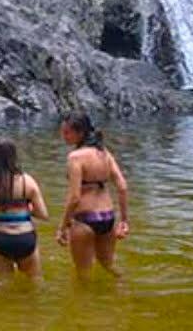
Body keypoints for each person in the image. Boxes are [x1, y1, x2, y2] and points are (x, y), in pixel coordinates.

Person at [56, 112, 129, 277]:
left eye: (67, 132)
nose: (63, 136)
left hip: (84, 219)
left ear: (80, 133)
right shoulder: (104, 153)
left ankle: (83, 303)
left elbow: (75, 197)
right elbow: (123, 187)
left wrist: (63, 225)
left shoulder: (75, 157)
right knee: (109, 266)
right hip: (108, 218)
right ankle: (124, 291)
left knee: (83, 273)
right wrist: (124, 221)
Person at [0, 139, 49, 277]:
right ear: (14, 157)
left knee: (3, 286)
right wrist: (25, 209)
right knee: (35, 282)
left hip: (0, 239)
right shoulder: (27, 182)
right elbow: (43, 214)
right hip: (26, 238)